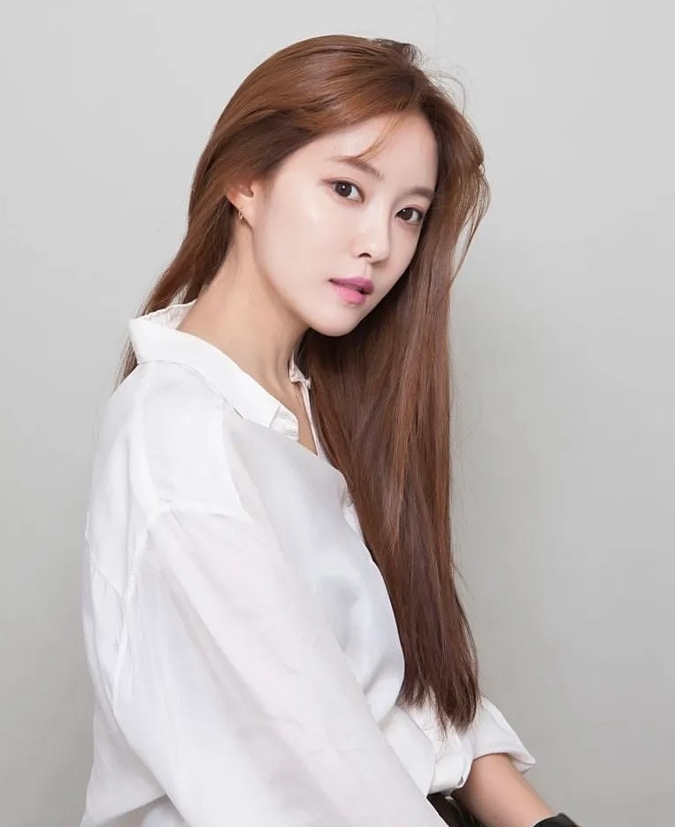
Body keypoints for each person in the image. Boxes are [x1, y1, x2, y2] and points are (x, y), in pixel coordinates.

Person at [79, 34, 580, 827]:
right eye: (346, 189)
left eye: (408, 213)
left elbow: (398, 694)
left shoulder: (314, 399)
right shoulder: (181, 438)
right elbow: (317, 769)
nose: (379, 245)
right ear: (245, 180)